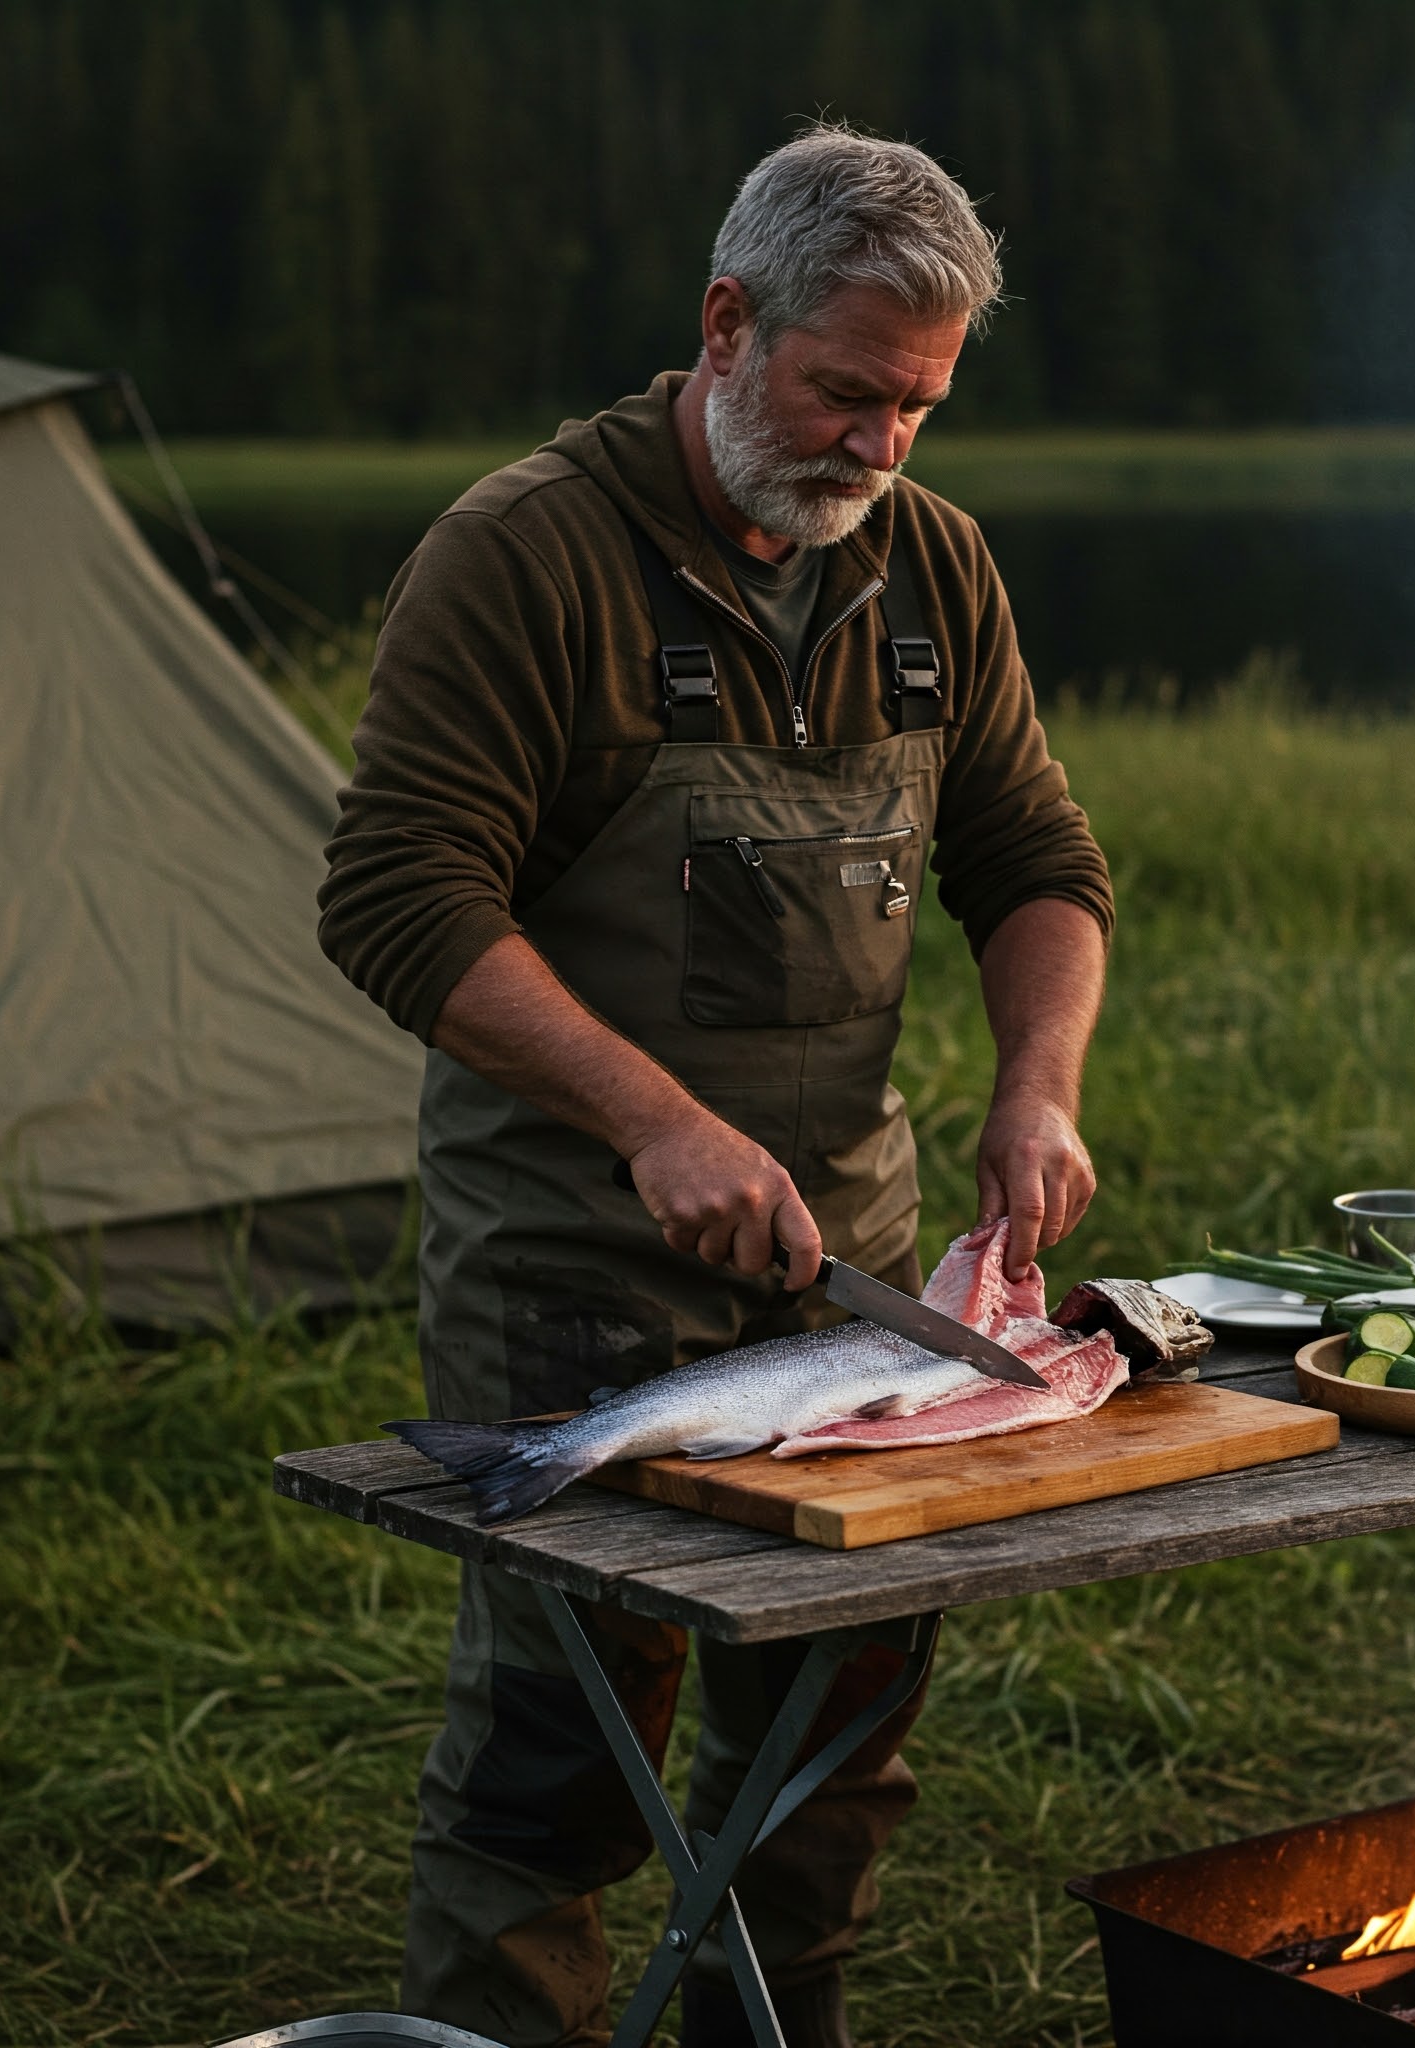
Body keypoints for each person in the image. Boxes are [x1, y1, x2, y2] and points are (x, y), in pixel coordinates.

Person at [317, 126, 1113, 2048]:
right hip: (573, 1263)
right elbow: (397, 897)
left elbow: (1038, 865)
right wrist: (653, 1121)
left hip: (861, 1283)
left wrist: (1038, 1089)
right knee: (560, 1764)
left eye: (918, 409)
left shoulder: (935, 565)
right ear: (727, 323)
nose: (877, 447)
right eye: (847, 392)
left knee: (835, 1737)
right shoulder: (524, 556)